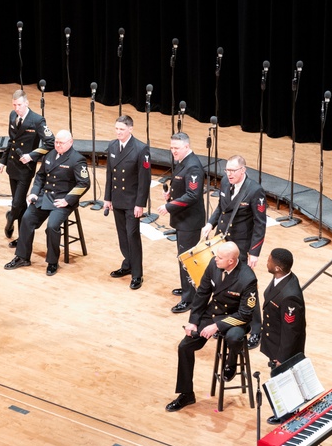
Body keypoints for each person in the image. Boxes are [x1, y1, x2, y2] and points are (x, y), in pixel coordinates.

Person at [165, 242, 259, 412]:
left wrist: (217, 326)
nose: (216, 259)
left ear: (231, 261)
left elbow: (245, 314)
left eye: (220, 258)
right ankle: (186, 394)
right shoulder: (213, 264)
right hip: (214, 313)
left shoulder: (247, 278)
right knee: (184, 347)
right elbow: (202, 293)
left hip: (235, 318)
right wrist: (193, 320)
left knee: (233, 337)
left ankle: (231, 364)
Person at [201, 154, 267, 347]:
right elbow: (221, 207)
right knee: (224, 286)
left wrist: (254, 252)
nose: (229, 174)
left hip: (242, 247)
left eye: (233, 171)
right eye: (227, 170)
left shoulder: (255, 191)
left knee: (247, 288)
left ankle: (256, 329)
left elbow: (260, 224)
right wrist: (210, 223)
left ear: (243, 170)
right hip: (224, 244)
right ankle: (226, 323)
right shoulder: (224, 183)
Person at [4, 130, 89, 276]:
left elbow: (84, 183)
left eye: (61, 143)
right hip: (45, 196)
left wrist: (67, 200)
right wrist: (34, 193)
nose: (58, 145)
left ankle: (52, 261)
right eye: (56, 142)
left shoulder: (77, 160)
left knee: (52, 226)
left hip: (62, 200)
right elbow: (40, 176)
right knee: (26, 218)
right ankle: (22, 257)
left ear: (70, 142)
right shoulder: (50, 154)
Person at [156, 133, 206, 313]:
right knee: (182, 257)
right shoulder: (183, 162)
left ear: (186, 146)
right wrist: (171, 194)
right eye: (171, 148)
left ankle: (190, 298)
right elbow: (182, 187)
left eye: (176, 148)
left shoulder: (193, 167)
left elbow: (193, 195)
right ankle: (187, 289)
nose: (173, 151)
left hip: (190, 221)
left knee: (187, 260)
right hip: (183, 219)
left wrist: (170, 205)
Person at [0, 90, 54, 245]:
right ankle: (22, 239)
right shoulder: (12, 116)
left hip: (25, 168)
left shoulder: (37, 120)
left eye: (19, 105)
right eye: (14, 105)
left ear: (27, 103)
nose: (17, 108)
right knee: (20, 204)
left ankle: (10, 218)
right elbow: (12, 141)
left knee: (16, 204)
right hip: (12, 165)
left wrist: (32, 155)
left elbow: (50, 142)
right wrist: (3, 161)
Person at [103, 115, 151, 290]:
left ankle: (137, 274)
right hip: (117, 199)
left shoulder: (140, 149)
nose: (118, 132)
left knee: (132, 236)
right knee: (122, 235)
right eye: (116, 129)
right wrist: (107, 198)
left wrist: (140, 204)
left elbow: (144, 179)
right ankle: (127, 265)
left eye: (122, 129)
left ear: (130, 129)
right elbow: (110, 173)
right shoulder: (112, 145)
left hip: (132, 202)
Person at [261, 247, 306, 368]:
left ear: (277, 268)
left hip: (283, 351)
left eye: (269, 260)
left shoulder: (290, 297)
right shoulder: (282, 277)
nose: (267, 262)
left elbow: (290, 331)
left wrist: (282, 358)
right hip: (274, 340)